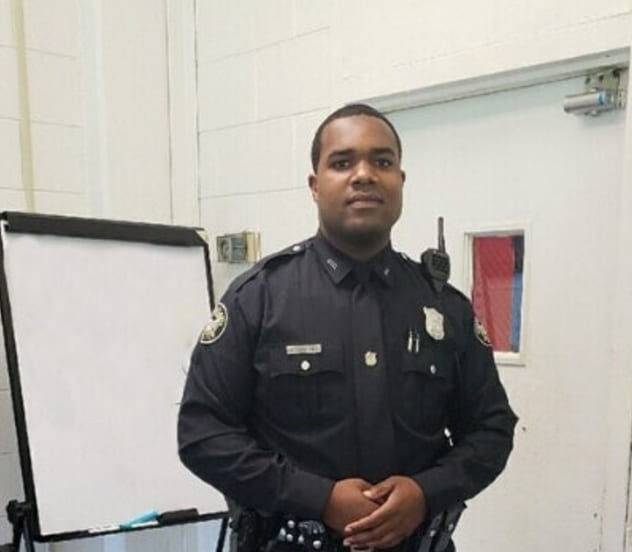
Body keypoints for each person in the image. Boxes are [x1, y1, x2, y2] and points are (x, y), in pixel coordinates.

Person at [178, 103, 517, 551]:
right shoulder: (258, 299)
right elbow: (203, 434)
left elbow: (492, 429)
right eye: (342, 163)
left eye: (382, 162)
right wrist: (319, 498)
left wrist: (425, 492)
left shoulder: (444, 308)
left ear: (400, 180)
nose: (364, 175)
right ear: (315, 186)